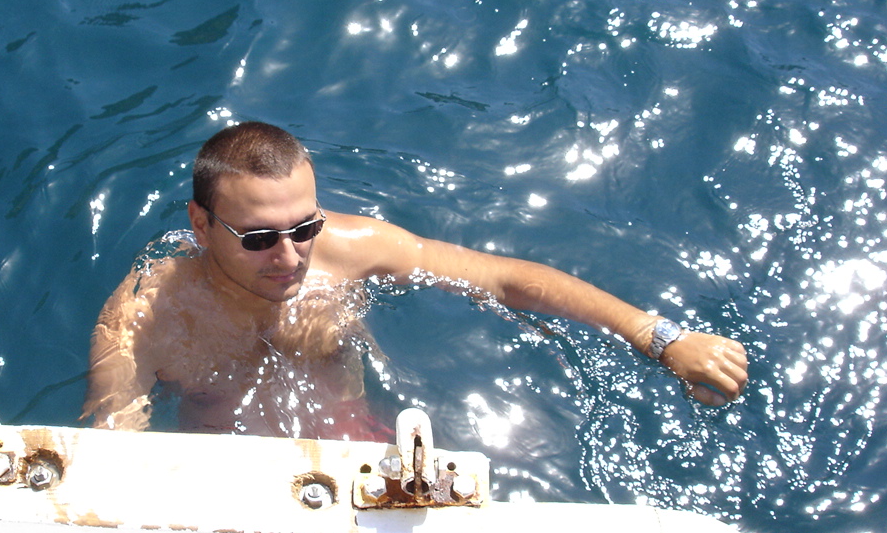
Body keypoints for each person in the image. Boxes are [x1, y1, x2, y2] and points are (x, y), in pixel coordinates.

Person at [85, 122, 747, 439]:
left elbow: (503, 279)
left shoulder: (353, 251)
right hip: (230, 481)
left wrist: (657, 335)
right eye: (259, 238)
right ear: (201, 225)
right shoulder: (144, 317)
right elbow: (116, 445)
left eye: (305, 227)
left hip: (356, 453)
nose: (290, 256)